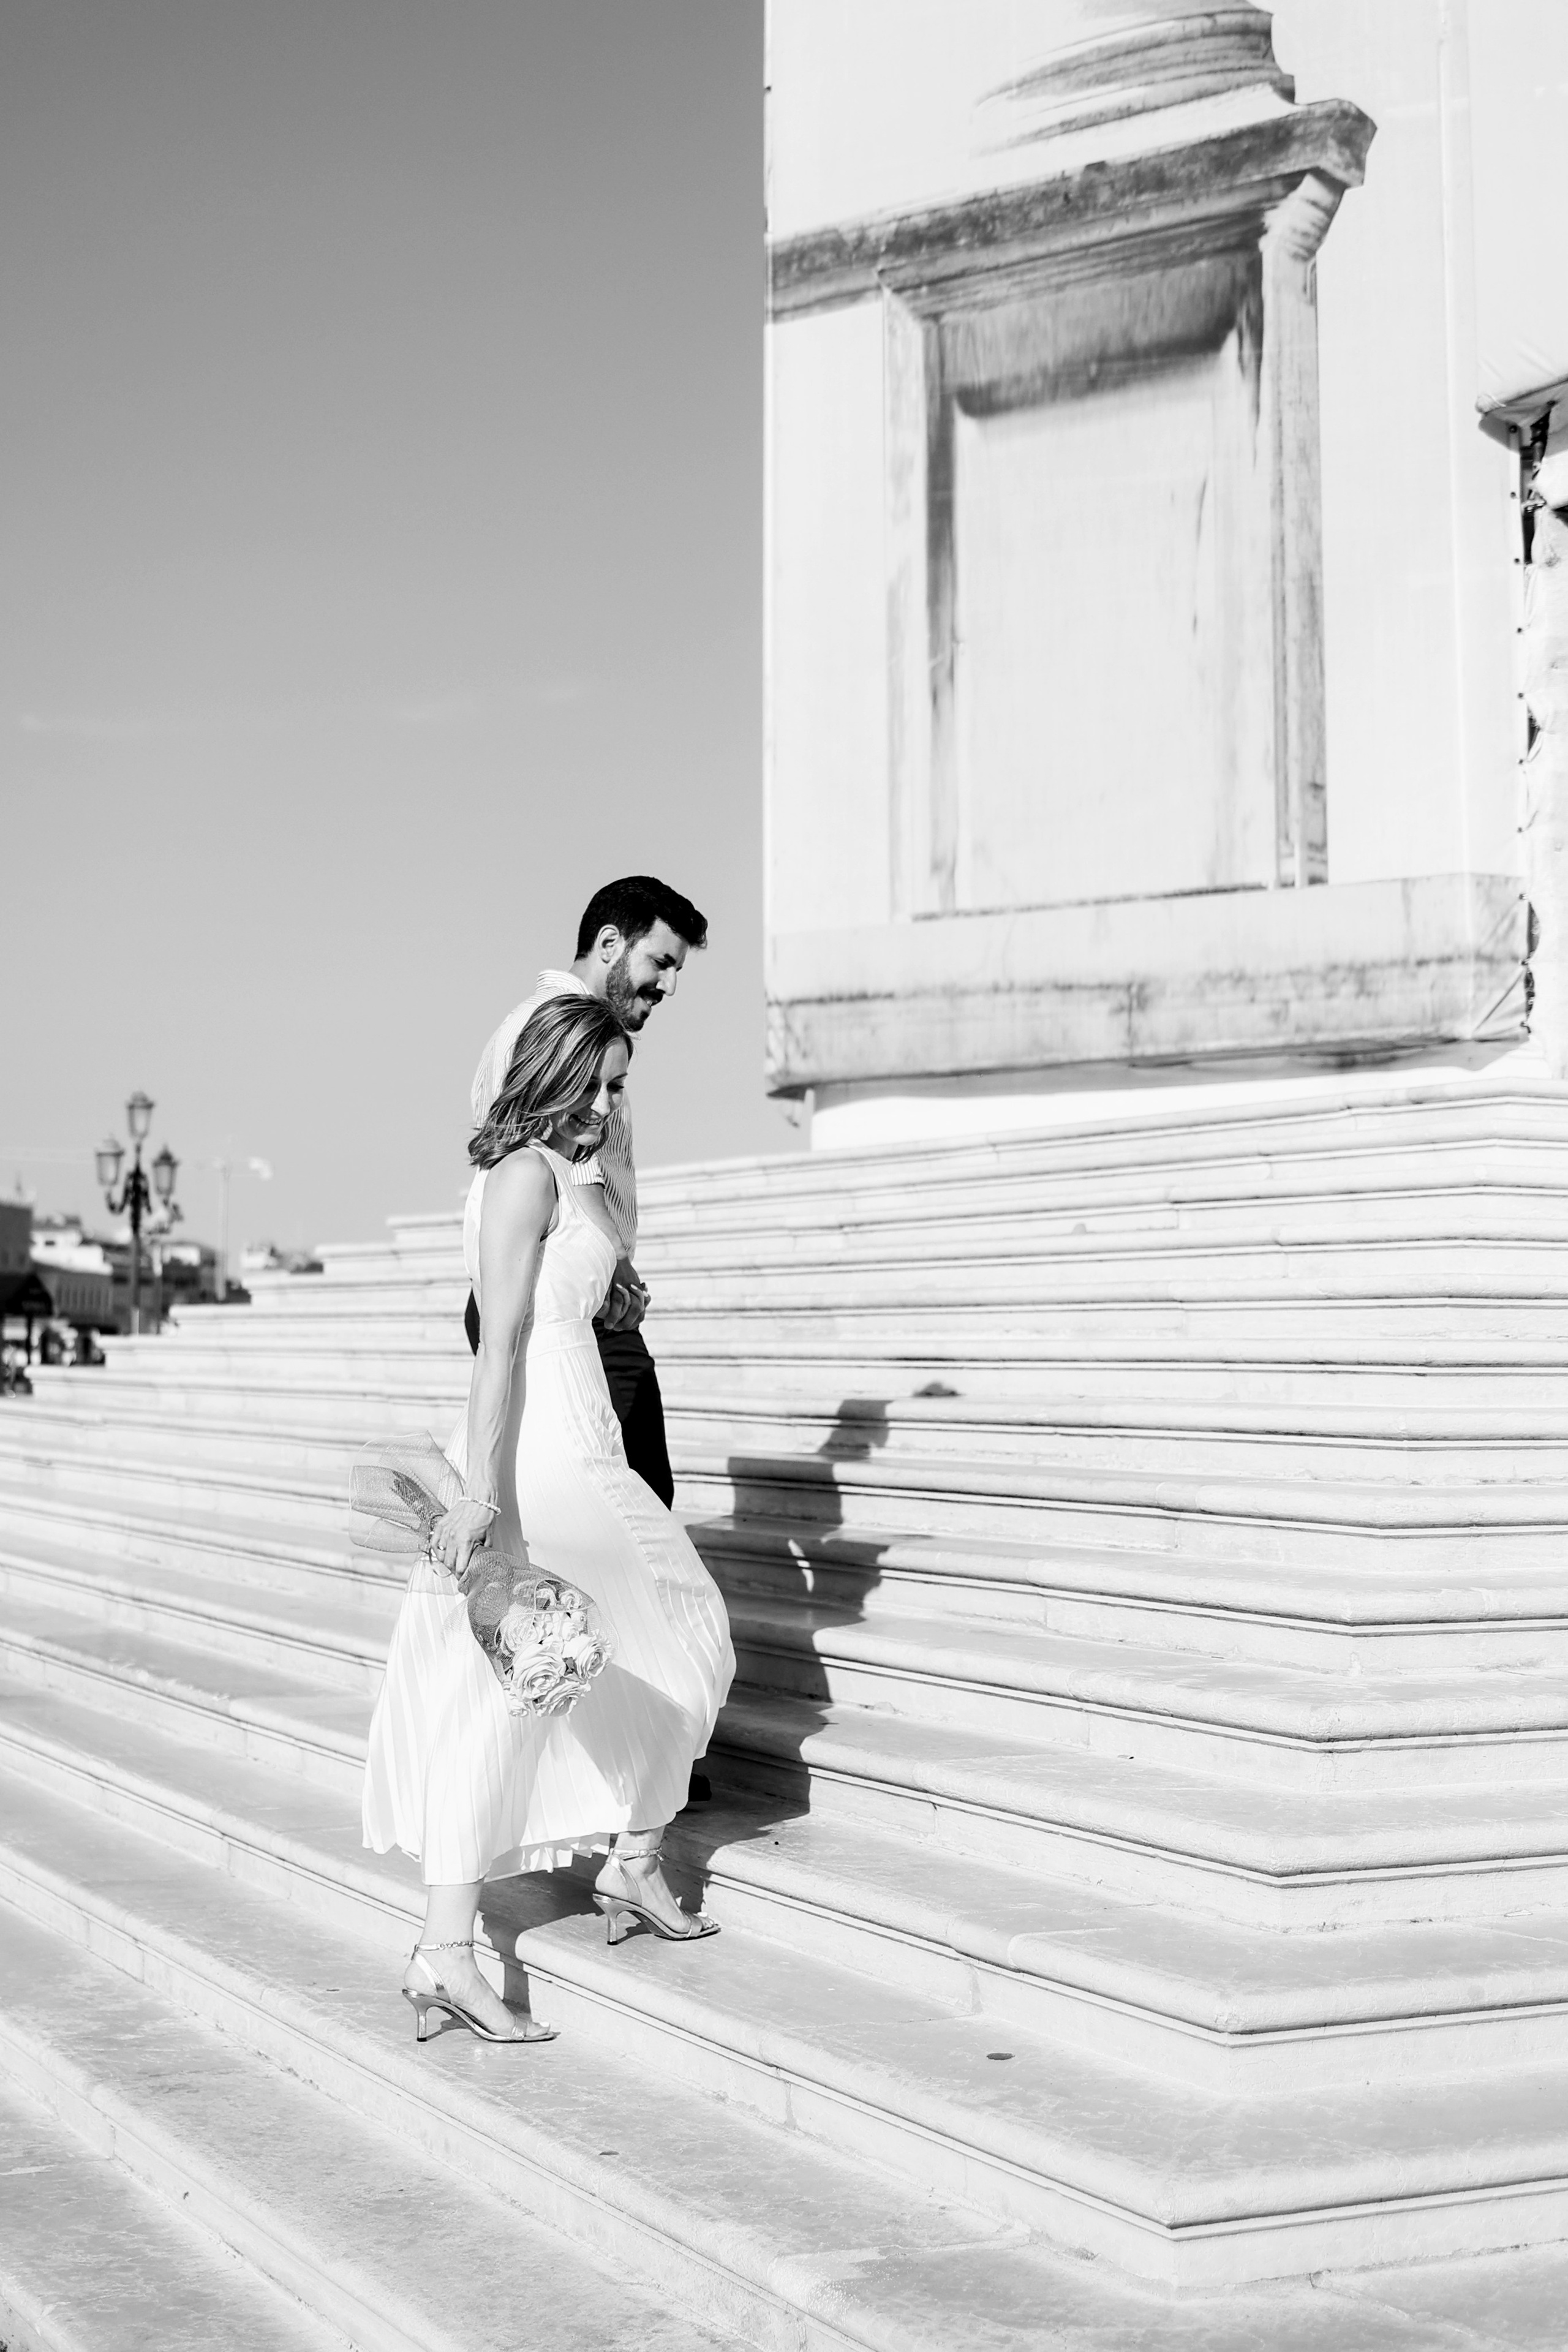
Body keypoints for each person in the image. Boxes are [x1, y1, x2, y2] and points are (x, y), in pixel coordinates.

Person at [362, 993, 734, 2046]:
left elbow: (580, 1287)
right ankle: (618, 1866)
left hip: (577, 1441)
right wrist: (481, 1495)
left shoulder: (557, 1175)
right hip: (551, 1455)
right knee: (681, 1636)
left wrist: (611, 1252)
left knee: (526, 1695)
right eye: (605, 1083)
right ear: (561, 1075)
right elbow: (498, 1341)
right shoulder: (524, 1174)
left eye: (621, 1085)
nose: (616, 1104)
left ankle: (481, 1934)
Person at [466, 874, 708, 1511]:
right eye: (660, 961)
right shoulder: (551, 1030)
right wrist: (613, 1264)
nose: (669, 986)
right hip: (561, 1310)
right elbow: (544, 1158)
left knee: (612, 1511)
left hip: (581, 1298)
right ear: (609, 944)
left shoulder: (578, 1035)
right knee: (628, 1513)